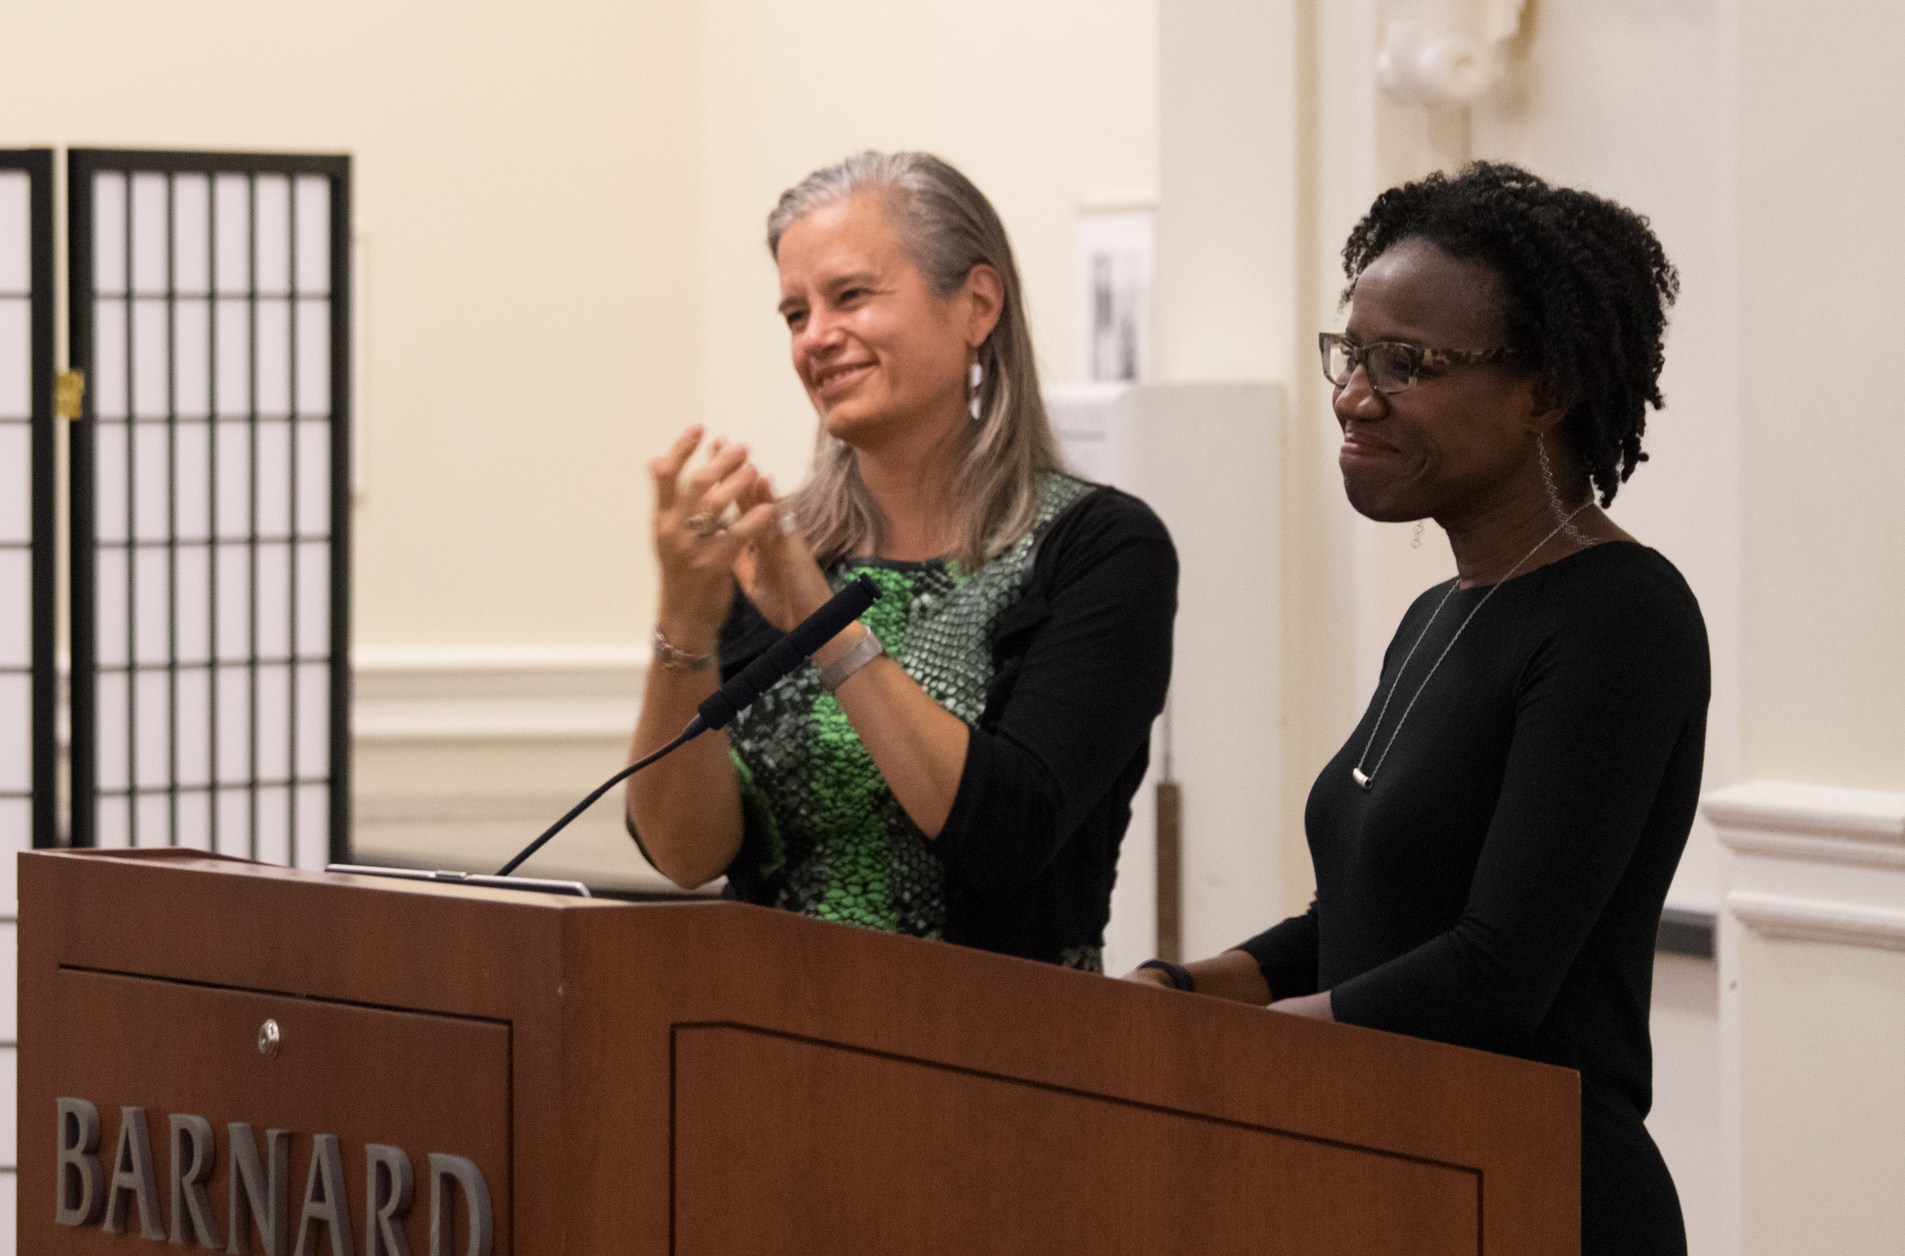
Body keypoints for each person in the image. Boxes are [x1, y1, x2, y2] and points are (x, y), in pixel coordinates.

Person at [1127, 162, 1707, 1256]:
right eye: (1352, 354)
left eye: (1407, 363)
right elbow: (1354, 925)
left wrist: (1229, 1061)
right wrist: (1184, 990)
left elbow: (1496, 972)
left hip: (1535, 1190)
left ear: (1547, 389)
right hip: (1396, 1166)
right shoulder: (1439, 612)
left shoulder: (1621, 618)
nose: (1354, 393)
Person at [626, 151, 1177, 970]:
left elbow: (1008, 835)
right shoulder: (777, 555)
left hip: (1001, 1061)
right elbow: (686, 853)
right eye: (793, 313)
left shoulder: (1098, 549)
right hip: (761, 1048)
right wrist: (684, 619)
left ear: (977, 306)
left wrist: (827, 630)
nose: (815, 337)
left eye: (850, 296)